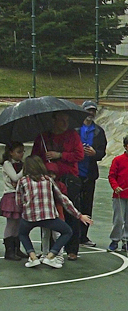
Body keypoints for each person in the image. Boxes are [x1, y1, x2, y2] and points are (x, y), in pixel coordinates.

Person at [16, 155, 93, 268]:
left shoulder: (22, 181)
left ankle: (33, 257)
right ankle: (51, 256)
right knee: (67, 231)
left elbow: (19, 201)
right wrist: (79, 215)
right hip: (49, 217)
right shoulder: (48, 180)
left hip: (30, 217)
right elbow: (62, 198)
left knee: (22, 233)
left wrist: (26, 209)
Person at [31, 111, 84, 260]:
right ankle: (49, 249)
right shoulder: (43, 137)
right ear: (54, 120)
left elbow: (79, 155)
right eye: (61, 120)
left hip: (68, 179)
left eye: (66, 120)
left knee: (71, 212)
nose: (65, 123)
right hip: (48, 179)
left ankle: (72, 249)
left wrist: (60, 155)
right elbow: (34, 157)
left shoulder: (72, 135)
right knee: (49, 213)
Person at [76, 101, 106, 247]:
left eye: (93, 111)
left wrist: (95, 153)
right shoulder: (75, 129)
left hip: (90, 173)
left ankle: (83, 236)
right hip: (75, 172)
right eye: (88, 110)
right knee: (73, 205)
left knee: (87, 206)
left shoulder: (99, 131)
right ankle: (73, 235)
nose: (91, 113)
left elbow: (102, 152)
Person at [2, 142, 25, 260]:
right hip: (11, 196)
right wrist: (26, 168)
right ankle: (9, 251)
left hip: (20, 195)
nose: (21, 154)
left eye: (23, 151)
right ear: (11, 152)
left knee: (18, 223)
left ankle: (17, 248)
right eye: (19, 151)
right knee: (11, 224)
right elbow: (15, 177)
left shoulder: (21, 164)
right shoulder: (7, 163)